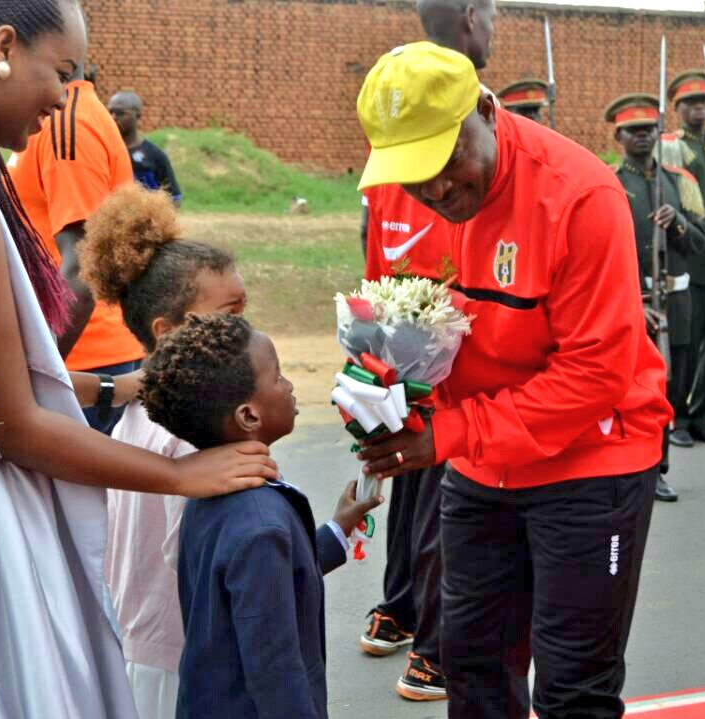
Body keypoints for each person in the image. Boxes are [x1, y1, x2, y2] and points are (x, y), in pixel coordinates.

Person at [0, 2, 277, 716]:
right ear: (4, 47)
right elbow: (7, 426)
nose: (63, 99)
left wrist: (106, 390)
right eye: (61, 71)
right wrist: (179, 475)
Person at [356, 43, 671, 719]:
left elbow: (595, 374)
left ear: (485, 110)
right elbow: (393, 317)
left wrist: (448, 434)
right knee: (471, 666)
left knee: (573, 684)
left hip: (592, 457)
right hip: (481, 464)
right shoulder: (393, 193)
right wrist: (379, 395)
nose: (433, 189)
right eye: (412, 173)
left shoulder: (580, 194)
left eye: (447, 160)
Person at [139, 313, 383, 719]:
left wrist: (338, 530)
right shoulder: (260, 523)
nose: (289, 386)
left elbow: (267, 580)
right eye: (278, 376)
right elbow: (276, 671)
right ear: (249, 416)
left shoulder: (209, 493)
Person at [357, 0, 496, 703]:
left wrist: (373, 349)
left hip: (404, 341)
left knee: (412, 490)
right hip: (450, 349)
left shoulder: (393, 126)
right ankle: (433, 650)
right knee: (441, 499)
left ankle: (398, 611)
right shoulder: (477, 127)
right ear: (473, 15)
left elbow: (373, 255)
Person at [80, 182, 248, 719]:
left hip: (138, 644)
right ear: (169, 330)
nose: (246, 331)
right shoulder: (192, 432)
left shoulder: (138, 411)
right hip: (183, 659)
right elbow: (215, 562)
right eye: (230, 314)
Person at [9, 65, 144, 434]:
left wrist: (41, 372)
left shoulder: (67, 125)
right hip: (77, 353)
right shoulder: (61, 117)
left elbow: (82, 262)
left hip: (82, 356)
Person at [606, 93, 705, 502]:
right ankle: (632, 467)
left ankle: (658, 467)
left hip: (676, 305)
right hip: (633, 304)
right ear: (618, 137)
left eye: (648, 129)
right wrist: (632, 302)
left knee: (669, 392)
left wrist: (678, 223)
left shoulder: (678, 181)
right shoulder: (611, 183)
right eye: (633, 131)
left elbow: (699, 243)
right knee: (632, 394)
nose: (643, 136)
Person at [660, 71, 705, 447]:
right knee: (688, 341)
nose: (699, 109)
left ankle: (701, 415)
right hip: (693, 256)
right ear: (677, 109)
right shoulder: (671, 147)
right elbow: (676, 200)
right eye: (690, 103)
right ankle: (678, 418)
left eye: (703, 102)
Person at [108, 90, 183, 205]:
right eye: (110, 112)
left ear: (138, 115)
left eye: (120, 113)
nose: (113, 117)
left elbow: (174, 199)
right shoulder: (105, 152)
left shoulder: (155, 156)